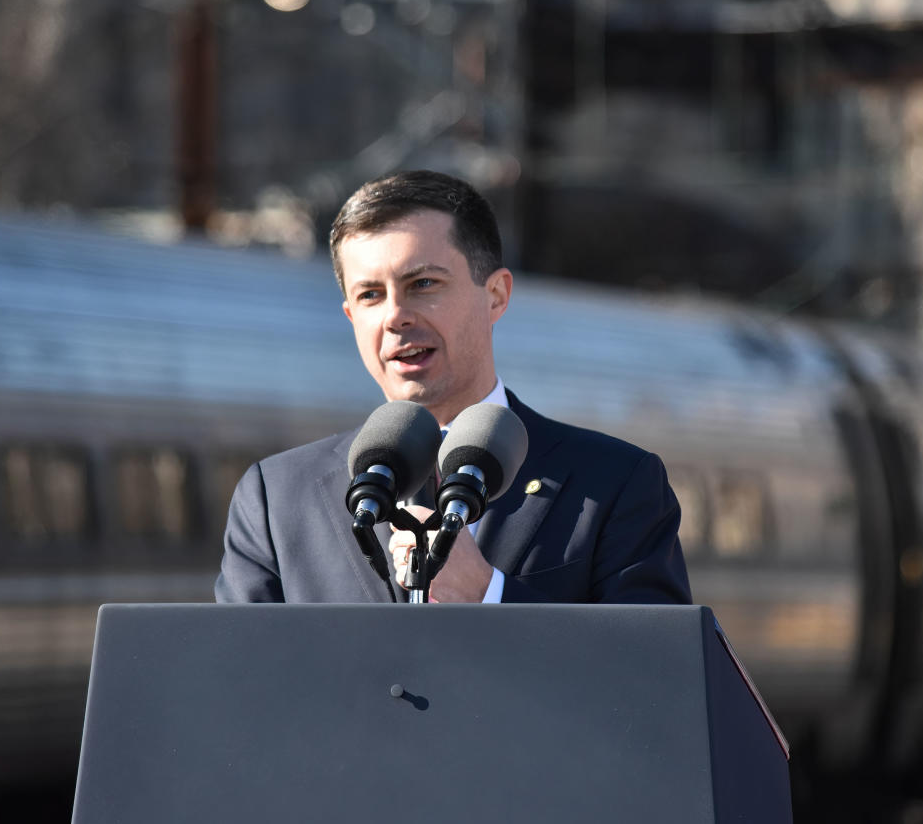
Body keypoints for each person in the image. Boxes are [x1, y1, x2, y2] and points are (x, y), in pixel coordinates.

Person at [215, 170, 691, 605]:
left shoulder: (615, 483)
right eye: (370, 295)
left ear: (497, 295)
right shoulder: (275, 499)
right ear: (350, 317)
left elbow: (652, 681)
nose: (395, 316)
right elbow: (239, 682)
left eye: (423, 284)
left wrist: (491, 595)